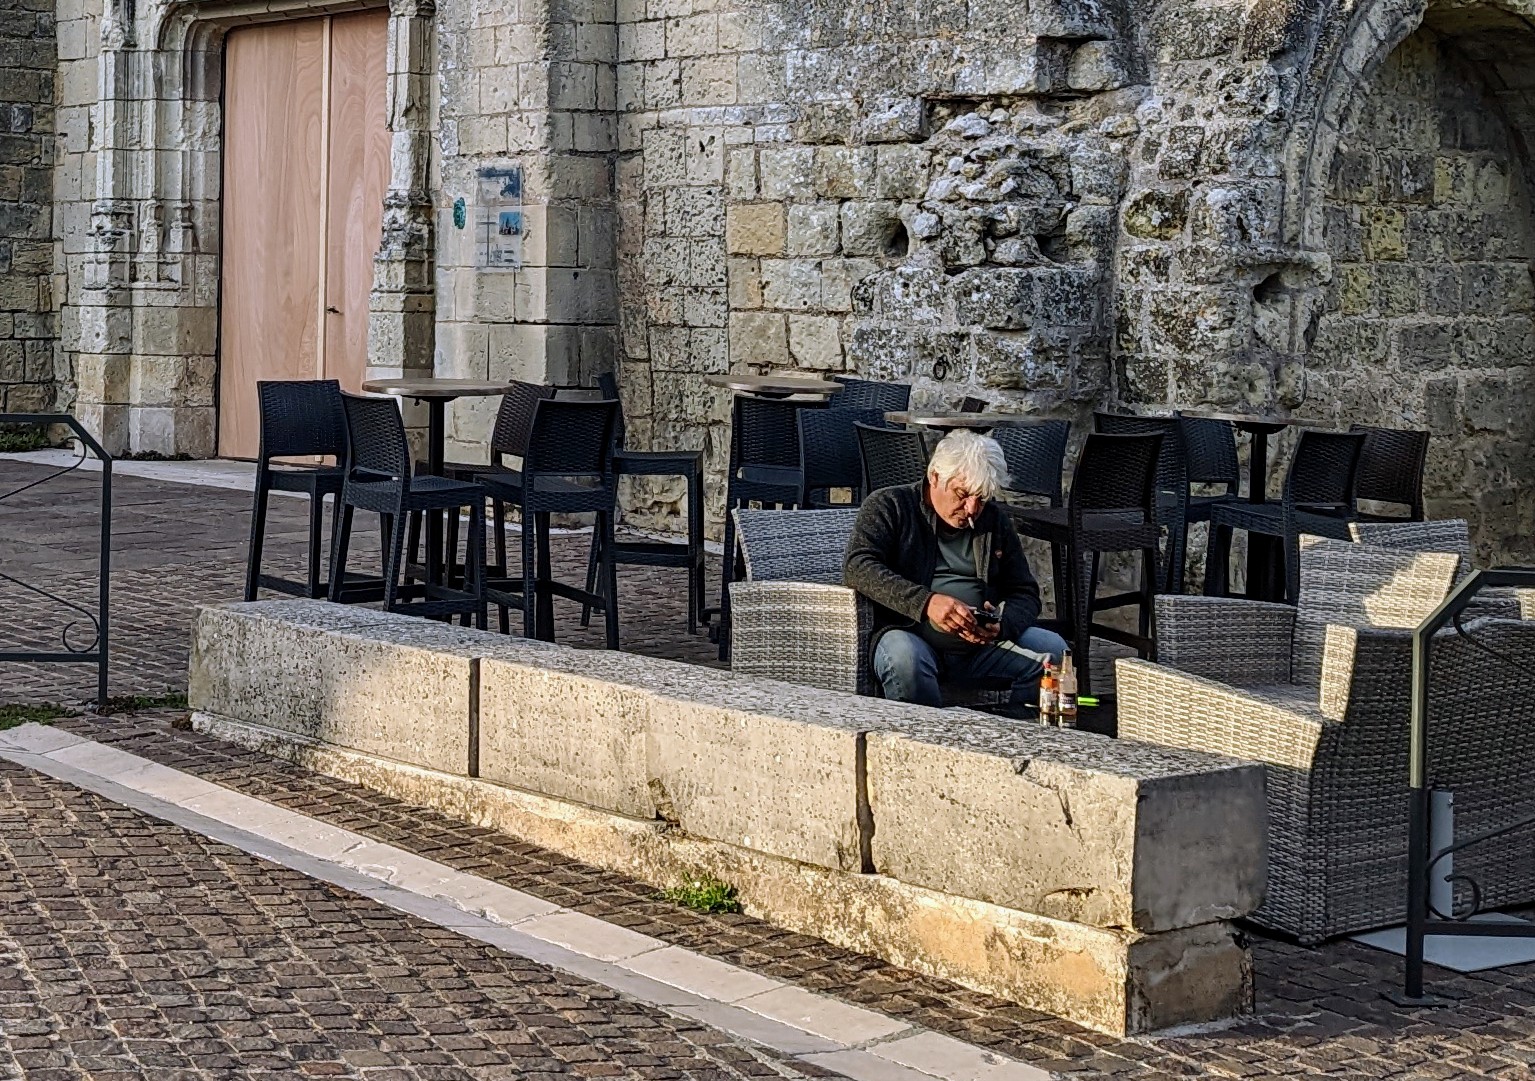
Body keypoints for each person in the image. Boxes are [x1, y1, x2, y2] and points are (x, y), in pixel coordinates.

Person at [844, 429, 1067, 708]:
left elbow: (1025, 592)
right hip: (910, 634)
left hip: (981, 647)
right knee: (905, 660)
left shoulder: (994, 520)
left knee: (1055, 652)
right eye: (962, 494)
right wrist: (927, 603)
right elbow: (858, 566)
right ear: (934, 477)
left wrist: (1002, 624)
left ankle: (1015, 730)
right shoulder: (890, 505)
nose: (972, 508)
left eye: (982, 498)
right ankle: (924, 735)